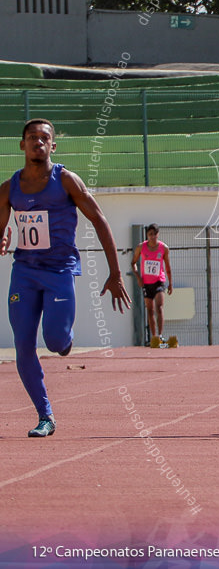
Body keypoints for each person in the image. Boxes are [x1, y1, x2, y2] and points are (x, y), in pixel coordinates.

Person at [0, 118, 131, 437]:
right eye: (32, 138)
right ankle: (45, 415)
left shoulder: (67, 180)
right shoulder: (9, 188)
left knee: (57, 342)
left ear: (53, 146)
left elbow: (99, 221)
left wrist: (115, 273)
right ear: (22, 145)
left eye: (44, 138)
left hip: (59, 271)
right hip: (25, 273)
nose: (38, 142)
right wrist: (3, 237)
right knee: (23, 345)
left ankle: (65, 339)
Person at [131, 223, 172, 346]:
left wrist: (170, 283)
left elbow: (168, 267)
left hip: (159, 281)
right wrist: (138, 277)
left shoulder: (163, 248)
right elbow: (133, 263)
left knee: (159, 307)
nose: (153, 237)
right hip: (146, 282)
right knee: (150, 310)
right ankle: (154, 337)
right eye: (150, 234)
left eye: (155, 234)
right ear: (147, 235)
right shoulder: (141, 247)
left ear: (157, 235)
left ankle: (160, 335)